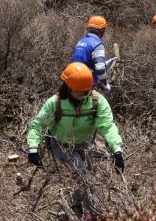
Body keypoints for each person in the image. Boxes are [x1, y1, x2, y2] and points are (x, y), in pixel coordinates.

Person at [27, 62, 124, 220]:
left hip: (85, 144)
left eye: (87, 90)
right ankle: (95, 214)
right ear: (67, 87)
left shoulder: (97, 102)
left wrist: (117, 149)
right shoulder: (55, 103)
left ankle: (76, 206)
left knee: (87, 175)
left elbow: (107, 126)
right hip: (61, 145)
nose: (84, 94)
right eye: (80, 91)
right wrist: (33, 148)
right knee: (83, 175)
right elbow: (37, 125)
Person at [72, 16, 116, 92]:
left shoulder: (81, 41)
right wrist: (105, 85)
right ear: (103, 30)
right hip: (85, 85)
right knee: (101, 103)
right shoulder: (97, 44)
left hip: (72, 80)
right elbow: (100, 69)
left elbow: (82, 62)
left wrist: (104, 64)